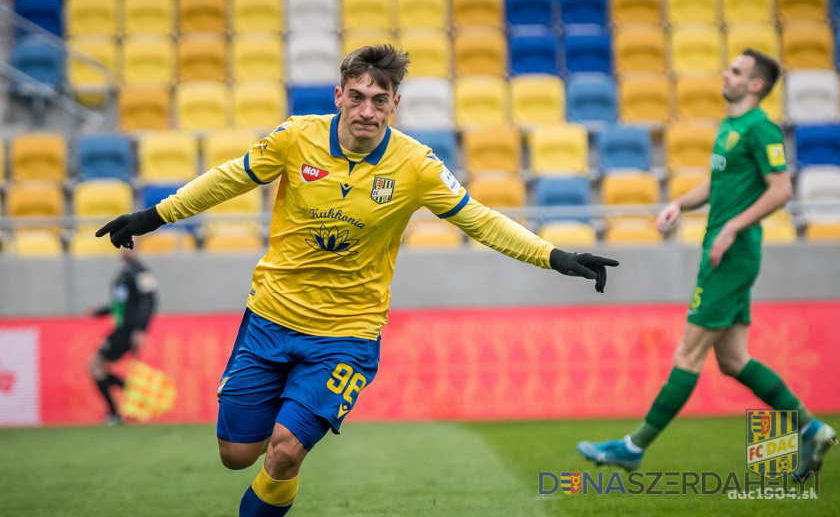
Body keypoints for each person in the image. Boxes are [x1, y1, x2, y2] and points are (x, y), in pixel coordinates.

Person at [96, 45, 620, 516]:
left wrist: (554, 256)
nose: (367, 110)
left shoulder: (416, 165)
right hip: (270, 318)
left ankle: (281, 466)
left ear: (395, 105)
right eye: (357, 97)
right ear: (339, 97)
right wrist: (152, 217)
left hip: (347, 334)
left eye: (379, 100)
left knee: (283, 452)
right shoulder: (296, 138)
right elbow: (228, 178)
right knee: (236, 455)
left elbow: (479, 219)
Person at [577, 49, 836, 480]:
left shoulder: (760, 128)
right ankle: (812, 429)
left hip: (731, 254)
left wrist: (731, 228)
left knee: (688, 353)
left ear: (755, 84)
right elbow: (719, 183)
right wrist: (680, 203)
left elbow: (781, 190)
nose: (726, 74)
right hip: (724, 251)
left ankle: (633, 447)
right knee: (733, 359)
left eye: (736, 71)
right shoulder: (731, 126)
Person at [88, 245, 158, 425]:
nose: (127, 250)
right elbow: (120, 304)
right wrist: (100, 312)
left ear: (138, 249)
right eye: (125, 246)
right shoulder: (123, 273)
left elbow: (150, 301)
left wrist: (141, 329)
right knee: (97, 367)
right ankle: (127, 396)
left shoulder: (142, 273)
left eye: (131, 246)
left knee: (95, 365)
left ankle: (116, 411)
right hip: (121, 328)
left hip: (129, 330)